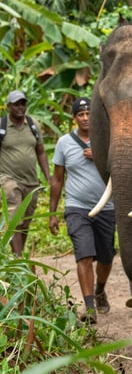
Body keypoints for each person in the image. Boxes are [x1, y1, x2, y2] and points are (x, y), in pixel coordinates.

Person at [49, 97, 124, 323]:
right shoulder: (64, 143)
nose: (85, 118)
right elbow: (57, 179)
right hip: (77, 207)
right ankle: (90, 307)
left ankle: (100, 289)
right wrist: (52, 213)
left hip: (106, 206)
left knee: (106, 256)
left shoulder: (109, 139)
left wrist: (99, 156)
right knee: (84, 254)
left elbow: (122, 166)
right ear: (74, 118)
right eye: (80, 114)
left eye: (89, 114)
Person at [0, 89, 51, 256]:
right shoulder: (2, 126)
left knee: (25, 223)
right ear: (8, 106)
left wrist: (48, 177)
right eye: (16, 104)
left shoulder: (33, 124)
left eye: (23, 104)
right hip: (7, 179)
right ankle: (18, 258)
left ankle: (18, 257)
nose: (20, 107)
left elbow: (41, 152)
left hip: (31, 181)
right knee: (14, 218)